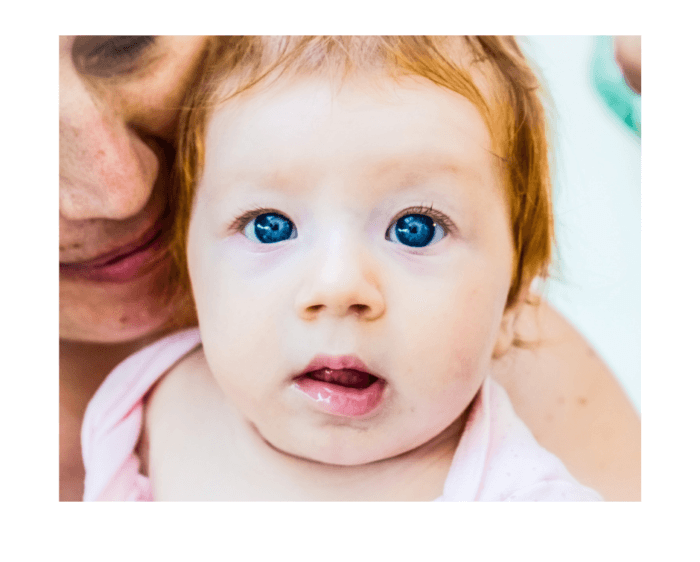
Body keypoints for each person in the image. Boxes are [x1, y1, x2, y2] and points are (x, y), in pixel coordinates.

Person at [60, 36, 640, 501]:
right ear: (193, 263)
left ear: (516, 300)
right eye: (270, 226)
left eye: (416, 228)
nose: (337, 287)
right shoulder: (142, 409)